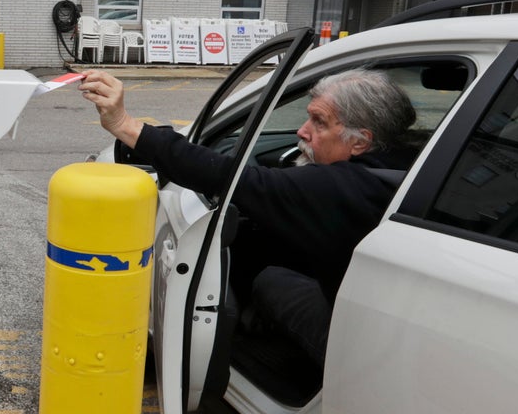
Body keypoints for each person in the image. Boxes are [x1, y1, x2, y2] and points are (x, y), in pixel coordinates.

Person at [78, 67, 418, 369]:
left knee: (271, 281)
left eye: (319, 122)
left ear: (360, 142)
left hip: (357, 347)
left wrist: (124, 125)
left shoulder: (344, 188)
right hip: (392, 325)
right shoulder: (413, 165)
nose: (302, 131)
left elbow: (234, 178)